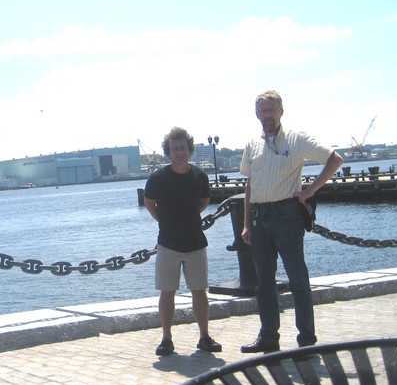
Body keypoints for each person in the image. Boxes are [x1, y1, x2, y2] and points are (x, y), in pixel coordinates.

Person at [239, 90, 344, 353]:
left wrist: (310, 190)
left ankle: (306, 340)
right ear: (256, 114)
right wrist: (246, 223)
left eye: (271, 110)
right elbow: (250, 185)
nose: (267, 115)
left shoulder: (297, 139)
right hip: (259, 217)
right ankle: (268, 338)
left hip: (287, 215)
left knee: (297, 278)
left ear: (281, 111)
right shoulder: (252, 145)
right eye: (262, 110)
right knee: (264, 282)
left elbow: (335, 160)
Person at [144, 127, 222, 356]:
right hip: (168, 244)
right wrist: (163, 220)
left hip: (195, 242)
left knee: (199, 291)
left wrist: (190, 216)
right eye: (175, 148)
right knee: (167, 292)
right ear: (168, 152)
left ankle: (204, 336)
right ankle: (166, 339)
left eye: (183, 148)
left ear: (190, 150)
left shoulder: (199, 176)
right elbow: (149, 202)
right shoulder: (158, 178)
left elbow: (204, 199)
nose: (179, 152)